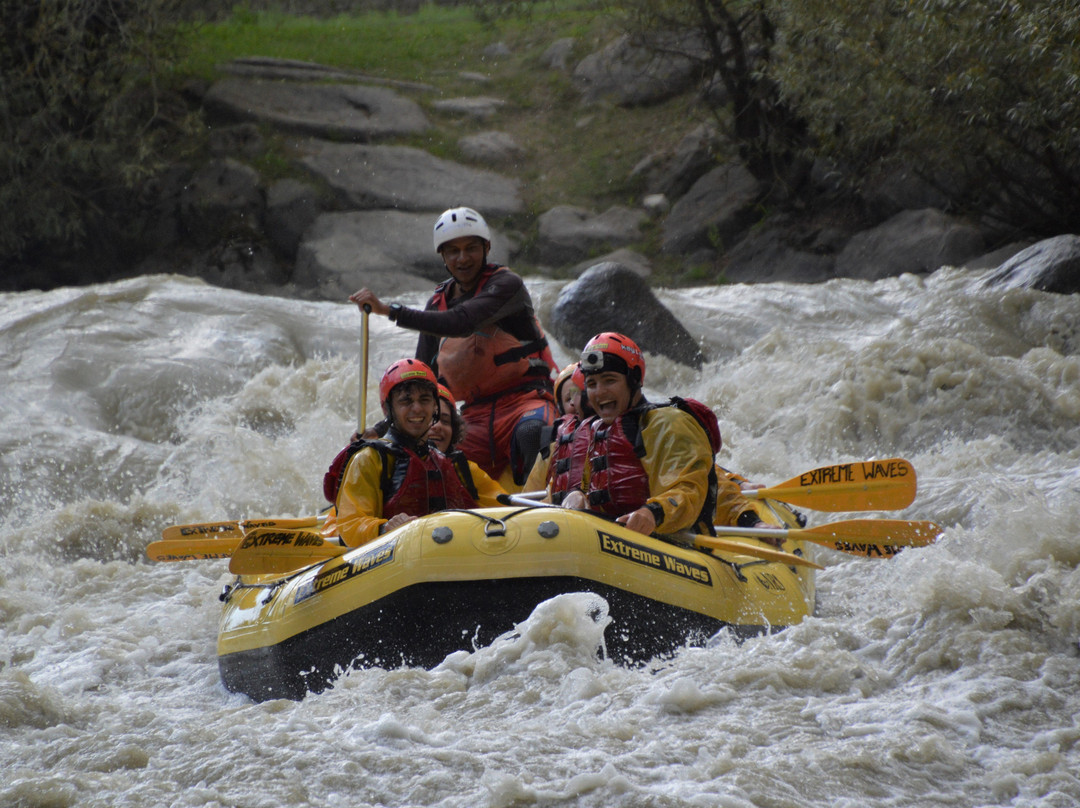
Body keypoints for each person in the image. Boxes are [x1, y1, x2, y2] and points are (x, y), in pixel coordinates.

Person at [348, 207, 558, 492]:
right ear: (443, 257)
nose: (462, 258)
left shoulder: (506, 285)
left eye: (471, 248)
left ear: (486, 248)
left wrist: (390, 311)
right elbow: (422, 380)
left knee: (532, 434)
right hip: (474, 415)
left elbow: (462, 322)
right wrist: (382, 429)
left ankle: (541, 507)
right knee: (428, 452)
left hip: (527, 402)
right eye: (453, 251)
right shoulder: (437, 304)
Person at [559, 333, 720, 536]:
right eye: (591, 384)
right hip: (612, 538)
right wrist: (576, 493)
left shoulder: (667, 423)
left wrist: (653, 513)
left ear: (634, 380)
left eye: (609, 381)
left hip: (673, 543)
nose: (599, 392)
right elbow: (587, 486)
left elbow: (689, 489)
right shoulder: (595, 430)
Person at [331, 359, 490, 547]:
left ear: (434, 407)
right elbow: (351, 524)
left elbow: (500, 504)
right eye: (406, 401)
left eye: (425, 400)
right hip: (393, 562)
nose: (417, 408)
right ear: (389, 409)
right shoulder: (370, 459)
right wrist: (384, 528)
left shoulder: (449, 463)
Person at [428, 383, 506, 506]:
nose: (437, 426)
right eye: (429, 419)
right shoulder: (389, 463)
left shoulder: (465, 469)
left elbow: (505, 507)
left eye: (445, 421)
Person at [522, 362, 589, 499]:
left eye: (581, 393)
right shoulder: (552, 440)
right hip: (558, 515)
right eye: (568, 398)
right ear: (560, 408)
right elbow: (530, 493)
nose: (574, 402)